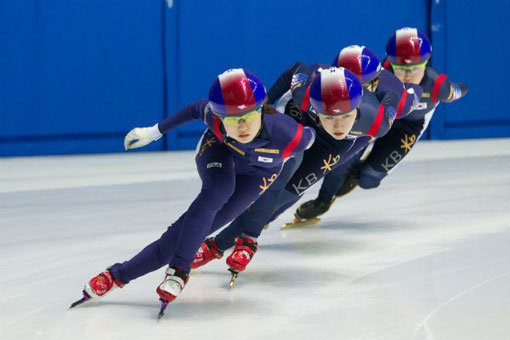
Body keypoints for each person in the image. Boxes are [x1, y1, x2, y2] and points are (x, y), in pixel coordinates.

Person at [69, 68, 315, 317]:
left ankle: (116, 275)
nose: (241, 126)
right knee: (219, 190)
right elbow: (196, 108)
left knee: (183, 237)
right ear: (220, 117)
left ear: (261, 109)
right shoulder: (216, 120)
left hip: (258, 174)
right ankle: (178, 270)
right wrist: (153, 132)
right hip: (219, 152)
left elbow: (314, 135)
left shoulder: (292, 136)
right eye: (231, 118)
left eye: (248, 116)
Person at [191, 65, 399, 280]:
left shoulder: (378, 121)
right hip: (298, 119)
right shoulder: (303, 94)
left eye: (344, 117)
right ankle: (238, 239)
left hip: (334, 145)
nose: (337, 124)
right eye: (328, 116)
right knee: (283, 168)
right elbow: (295, 69)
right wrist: (266, 106)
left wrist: (336, 162)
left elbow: (393, 97)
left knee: (286, 195)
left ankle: (218, 245)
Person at [298, 27, 469, 221]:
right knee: (340, 163)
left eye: (413, 69)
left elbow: (458, 90)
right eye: (400, 68)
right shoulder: (378, 73)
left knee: (368, 179)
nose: (406, 76)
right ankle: (322, 202)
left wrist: (466, 87)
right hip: (375, 120)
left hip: (407, 128)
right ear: (390, 63)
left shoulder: (439, 85)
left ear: (426, 62)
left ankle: (356, 175)